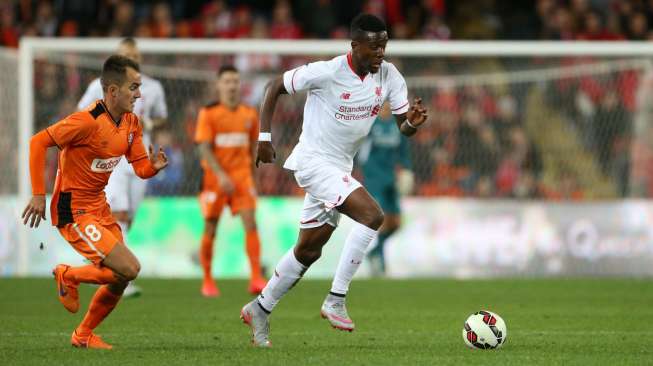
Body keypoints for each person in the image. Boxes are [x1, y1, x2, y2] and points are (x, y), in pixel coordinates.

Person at [240, 13, 427, 347]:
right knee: (373, 215)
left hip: (340, 168)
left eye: (384, 45)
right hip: (313, 162)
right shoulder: (327, 72)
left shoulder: (389, 75)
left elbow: (403, 127)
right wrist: (264, 136)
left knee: (308, 250)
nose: (381, 52)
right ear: (355, 46)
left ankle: (260, 307)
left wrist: (411, 123)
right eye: (374, 46)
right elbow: (274, 86)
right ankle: (336, 299)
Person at [22, 55, 168, 349]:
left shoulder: (131, 122)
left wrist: (152, 167)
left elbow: (139, 168)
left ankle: (83, 335)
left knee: (120, 277)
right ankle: (68, 275)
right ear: (112, 91)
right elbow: (38, 142)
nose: (139, 94)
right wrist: (39, 194)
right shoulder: (86, 121)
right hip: (73, 209)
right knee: (130, 268)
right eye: (133, 88)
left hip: (99, 207)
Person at [77, 37, 168, 298]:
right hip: (112, 155)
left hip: (141, 156)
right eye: (125, 54)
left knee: (130, 214)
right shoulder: (100, 85)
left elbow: (161, 116)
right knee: (120, 212)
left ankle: (101, 262)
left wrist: (149, 125)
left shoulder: (153, 87)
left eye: (134, 54)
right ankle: (117, 275)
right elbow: (81, 113)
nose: (131, 57)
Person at [195, 65, 267, 297]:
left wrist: (253, 179)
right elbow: (204, 149)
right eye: (227, 81)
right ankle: (207, 280)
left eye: (235, 81)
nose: (232, 85)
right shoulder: (209, 113)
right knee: (211, 227)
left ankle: (256, 278)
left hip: (242, 177)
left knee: (251, 222)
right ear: (219, 85)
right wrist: (221, 175)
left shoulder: (249, 114)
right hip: (215, 179)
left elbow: (253, 148)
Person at [358, 102, 414, 275]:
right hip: (374, 178)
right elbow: (360, 153)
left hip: (391, 178)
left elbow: (403, 153)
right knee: (379, 219)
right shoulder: (370, 125)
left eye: (390, 103)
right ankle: (380, 261)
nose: (387, 107)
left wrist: (407, 171)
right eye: (384, 104)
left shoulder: (397, 126)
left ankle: (375, 251)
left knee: (396, 223)